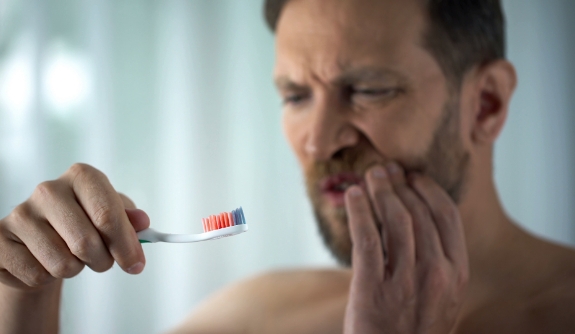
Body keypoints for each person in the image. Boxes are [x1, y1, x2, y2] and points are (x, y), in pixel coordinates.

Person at [1, 0, 574, 333]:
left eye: (369, 89)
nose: (319, 140)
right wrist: (27, 298)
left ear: (487, 103)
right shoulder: (256, 315)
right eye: (296, 96)